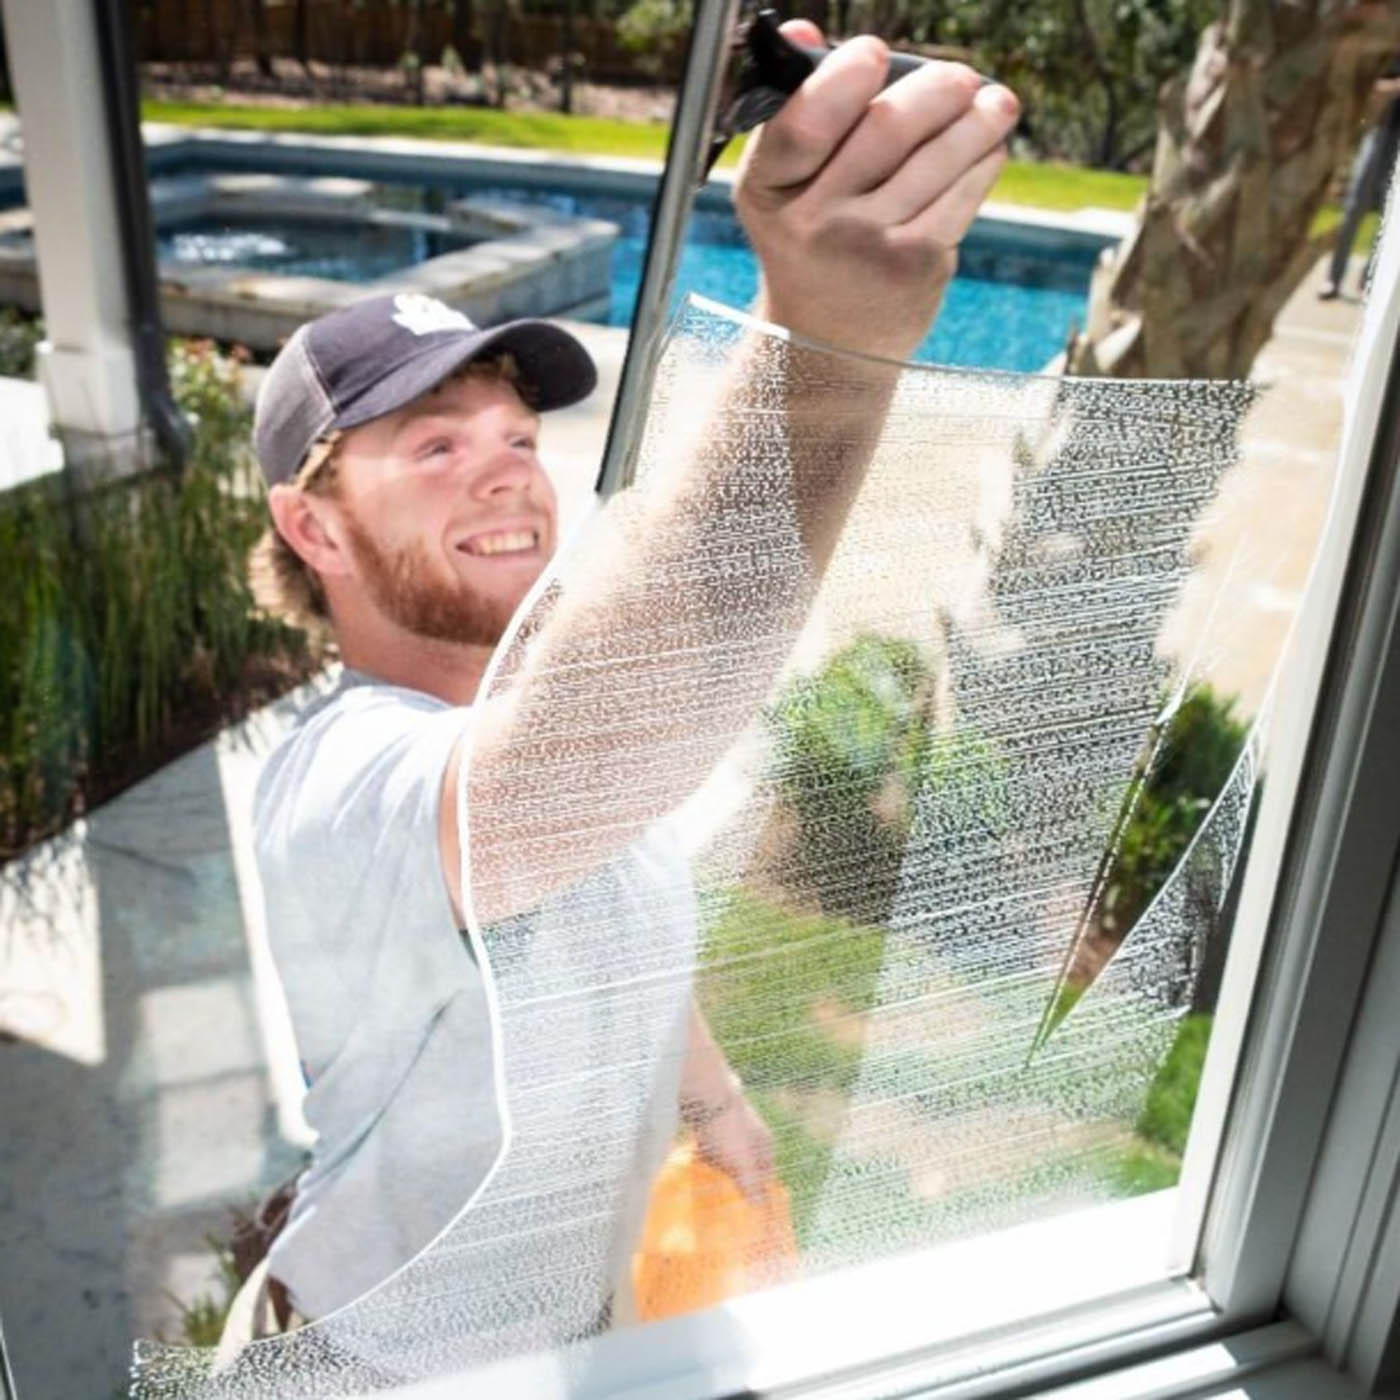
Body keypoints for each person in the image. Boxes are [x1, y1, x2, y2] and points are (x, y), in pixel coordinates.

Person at [242, 20, 1020, 1343]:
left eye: (514, 434)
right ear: (313, 530)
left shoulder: (513, 719)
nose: (508, 470)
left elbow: (609, 912)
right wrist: (829, 335)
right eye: (434, 447)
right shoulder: (340, 777)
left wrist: (718, 1112)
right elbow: (606, 747)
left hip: (577, 1344)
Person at [1319, 57, 1400, 300]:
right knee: (1354, 208)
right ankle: (1333, 278)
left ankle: (1369, 281)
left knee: (1390, 218)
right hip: (1381, 132)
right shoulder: (1390, 51)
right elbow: (1368, 88)